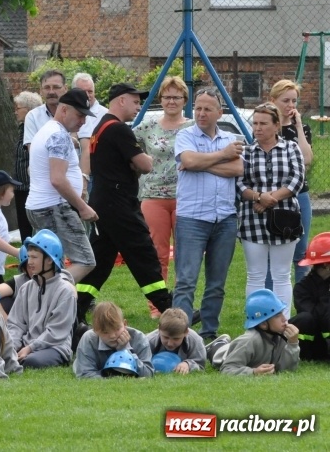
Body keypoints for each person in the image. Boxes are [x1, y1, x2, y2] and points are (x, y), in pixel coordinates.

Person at [76, 83, 172, 322]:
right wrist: (142, 160)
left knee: (100, 262)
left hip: (104, 203)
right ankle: (169, 309)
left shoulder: (100, 127)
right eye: (135, 101)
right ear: (120, 100)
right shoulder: (119, 129)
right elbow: (146, 165)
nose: (138, 107)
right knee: (143, 252)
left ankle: (76, 308)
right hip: (120, 205)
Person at [171, 88, 244, 341]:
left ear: (219, 113)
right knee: (186, 280)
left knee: (217, 283)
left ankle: (209, 332)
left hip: (224, 218)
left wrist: (204, 164)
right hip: (192, 218)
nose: (201, 113)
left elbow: (238, 168)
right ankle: (178, 334)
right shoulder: (185, 136)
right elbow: (189, 161)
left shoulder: (230, 137)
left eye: (207, 109)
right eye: (198, 108)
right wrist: (221, 157)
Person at [237, 102, 304, 317]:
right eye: (255, 123)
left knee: (281, 275)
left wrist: (268, 199)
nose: (258, 128)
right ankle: (256, 321)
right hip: (252, 219)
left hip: (285, 220)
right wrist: (257, 197)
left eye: (263, 123)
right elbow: (239, 183)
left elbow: (297, 180)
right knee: (255, 275)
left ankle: (282, 322)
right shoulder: (246, 152)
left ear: (276, 126)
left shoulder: (291, 148)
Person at [133, 76, 192, 318]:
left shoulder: (192, 127)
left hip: (185, 196)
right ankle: (157, 306)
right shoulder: (147, 127)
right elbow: (126, 145)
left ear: (184, 100)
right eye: (167, 96)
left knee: (184, 252)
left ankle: (180, 304)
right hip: (153, 196)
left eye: (176, 97)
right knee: (157, 252)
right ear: (161, 99)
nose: (171, 101)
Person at [25, 88, 98, 283]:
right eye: (80, 115)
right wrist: (82, 207)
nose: (83, 121)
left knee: (52, 265)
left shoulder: (49, 130)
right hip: (55, 208)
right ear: (64, 110)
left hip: (43, 206)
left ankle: (44, 300)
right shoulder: (58, 135)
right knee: (85, 261)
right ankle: (47, 294)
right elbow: (57, 179)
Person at [7, 230, 77, 369]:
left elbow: (56, 332)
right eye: (29, 257)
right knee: (6, 355)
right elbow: (15, 324)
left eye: (34, 257)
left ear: (49, 260)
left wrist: (30, 348)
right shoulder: (26, 288)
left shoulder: (65, 291)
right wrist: (12, 347)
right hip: (27, 345)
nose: (30, 262)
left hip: (55, 347)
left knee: (32, 362)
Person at [268, 80, 313, 284]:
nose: (290, 105)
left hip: (299, 194)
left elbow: (307, 160)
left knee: (301, 252)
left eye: (294, 101)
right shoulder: (265, 127)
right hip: (274, 196)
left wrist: (298, 127)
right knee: (272, 252)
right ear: (273, 101)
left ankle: (302, 304)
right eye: (285, 100)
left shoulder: (301, 128)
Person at [207, 289, 300, 375]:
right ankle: (216, 345)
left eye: (282, 313)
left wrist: (293, 344)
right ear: (263, 324)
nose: (284, 319)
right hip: (220, 355)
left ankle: (224, 342)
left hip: (237, 347)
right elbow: (227, 368)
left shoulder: (281, 336)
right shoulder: (249, 341)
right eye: (277, 316)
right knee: (220, 351)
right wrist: (253, 372)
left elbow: (286, 369)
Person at [73, 301, 154, 379]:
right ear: (95, 330)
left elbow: (148, 374)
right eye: (105, 332)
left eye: (117, 329)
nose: (112, 336)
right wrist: (116, 378)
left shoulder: (139, 338)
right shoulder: (89, 339)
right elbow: (84, 374)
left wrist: (125, 350)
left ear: (125, 324)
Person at [290, 233, 330, 361]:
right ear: (326, 265)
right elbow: (315, 316)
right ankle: (304, 356)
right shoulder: (302, 288)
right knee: (304, 319)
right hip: (314, 344)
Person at [13, 91, 43, 241]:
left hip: (31, 185)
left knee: (31, 224)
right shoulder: (22, 128)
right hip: (20, 185)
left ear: (29, 109)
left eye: (18, 108)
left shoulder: (36, 129)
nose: (15, 111)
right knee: (23, 224)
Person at [74, 73, 108, 202]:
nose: (87, 95)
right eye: (83, 92)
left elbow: (95, 144)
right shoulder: (69, 111)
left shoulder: (104, 114)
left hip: (94, 175)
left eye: (90, 91)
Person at [145, 308, 206, 374]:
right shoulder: (148, 341)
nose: (170, 343)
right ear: (159, 329)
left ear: (186, 332)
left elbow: (200, 365)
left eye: (176, 339)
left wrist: (188, 364)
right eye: (166, 337)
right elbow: (139, 360)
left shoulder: (195, 341)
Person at [23, 69, 67, 148]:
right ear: (40, 90)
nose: (51, 92)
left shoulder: (76, 114)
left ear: (65, 89)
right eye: (47, 88)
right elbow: (34, 151)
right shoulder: (33, 117)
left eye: (56, 87)